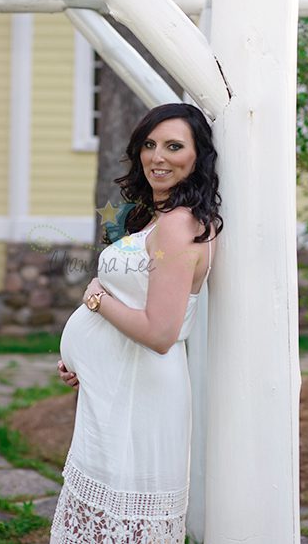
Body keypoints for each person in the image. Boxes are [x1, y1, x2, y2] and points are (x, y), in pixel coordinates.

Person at [49, 103, 222, 543]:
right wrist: (88, 362)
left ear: (198, 156)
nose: (157, 157)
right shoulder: (161, 220)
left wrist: (95, 299)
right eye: (149, 144)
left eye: (174, 146)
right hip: (117, 389)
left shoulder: (179, 226)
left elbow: (160, 333)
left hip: (141, 398)